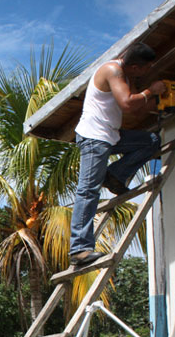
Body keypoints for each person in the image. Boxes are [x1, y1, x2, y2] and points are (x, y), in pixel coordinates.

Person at [69, 42, 166, 267]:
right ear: (134, 66)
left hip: (110, 135)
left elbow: (136, 106)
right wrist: (152, 90)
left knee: (150, 141)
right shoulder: (112, 70)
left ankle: (115, 176)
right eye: (144, 68)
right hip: (94, 137)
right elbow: (128, 104)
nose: (146, 72)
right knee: (87, 191)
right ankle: (80, 249)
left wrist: (158, 99)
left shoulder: (126, 76)